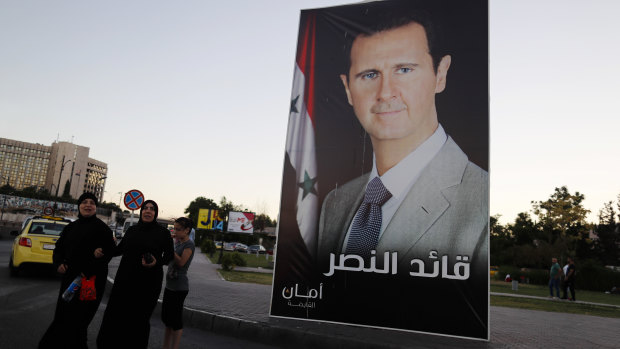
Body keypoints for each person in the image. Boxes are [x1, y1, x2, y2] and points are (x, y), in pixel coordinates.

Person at [315, 8, 488, 339]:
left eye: (404, 70)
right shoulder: (336, 202)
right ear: (348, 88)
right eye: (369, 75)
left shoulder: (479, 200)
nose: (385, 92)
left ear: (441, 74)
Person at [39, 192, 116, 348]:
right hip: (70, 281)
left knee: (80, 320)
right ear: (79, 206)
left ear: (96, 207)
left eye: (92, 203)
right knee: (63, 317)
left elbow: (109, 252)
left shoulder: (103, 229)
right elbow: (59, 249)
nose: (88, 205)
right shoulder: (71, 227)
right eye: (84, 202)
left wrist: (90, 267)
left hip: (90, 282)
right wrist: (58, 263)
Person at [97, 200, 174, 348]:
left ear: (155, 213)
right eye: (145, 208)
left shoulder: (163, 233)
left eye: (152, 209)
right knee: (118, 316)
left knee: (139, 320)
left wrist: (156, 262)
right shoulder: (132, 230)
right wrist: (103, 249)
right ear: (141, 212)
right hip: (125, 281)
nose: (148, 211)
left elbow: (169, 256)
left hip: (148, 284)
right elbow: (119, 250)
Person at [162, 217, 195, 349]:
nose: (175, 231)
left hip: (179, 288)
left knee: (176, 322)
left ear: (187, 230)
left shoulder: (189, 245)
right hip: (170, 285)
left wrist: (171, 248)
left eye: (178, 229)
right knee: (167, 321)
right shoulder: (178, 242)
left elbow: (181, 263)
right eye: (174, 228)